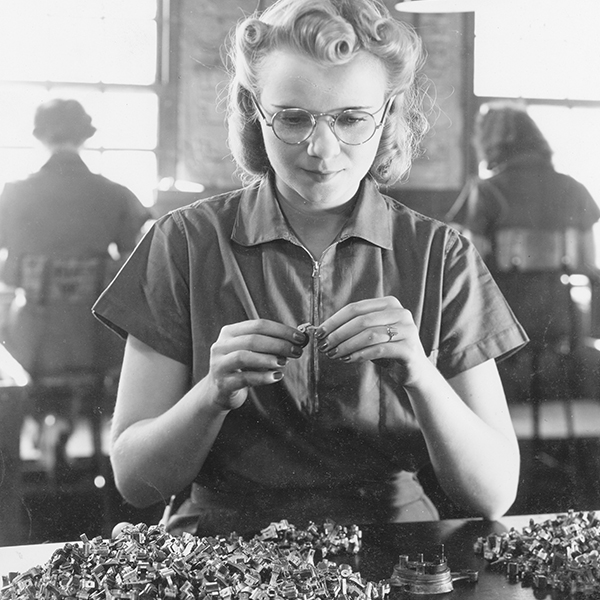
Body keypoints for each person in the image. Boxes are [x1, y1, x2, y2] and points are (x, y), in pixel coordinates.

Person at [93, 0, 527, 535]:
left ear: (387, 114)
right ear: (255, 109)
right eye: (294, 118)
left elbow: (494, 496)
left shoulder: (442, 256)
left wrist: (423, 377)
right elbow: (136, 484)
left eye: (351, 119)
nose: (322, 150)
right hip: (215, 548)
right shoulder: (181, 242)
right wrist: (210, 395)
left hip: (396, 543)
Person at [0, 98, 151, 464]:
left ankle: (40, 431)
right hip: (96, 343)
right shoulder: (114, 193)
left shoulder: (15, 194)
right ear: (85, 136)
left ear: (39, 136)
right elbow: (138, 259)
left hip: (34, 343)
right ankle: (82, 434)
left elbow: (9, 269)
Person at [449, 101, 600, 403]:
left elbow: (471, 266)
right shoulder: (573, 188)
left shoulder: (486, 191)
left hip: (502, 317)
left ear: (490, 142)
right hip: (558, 317)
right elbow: (586, 264)